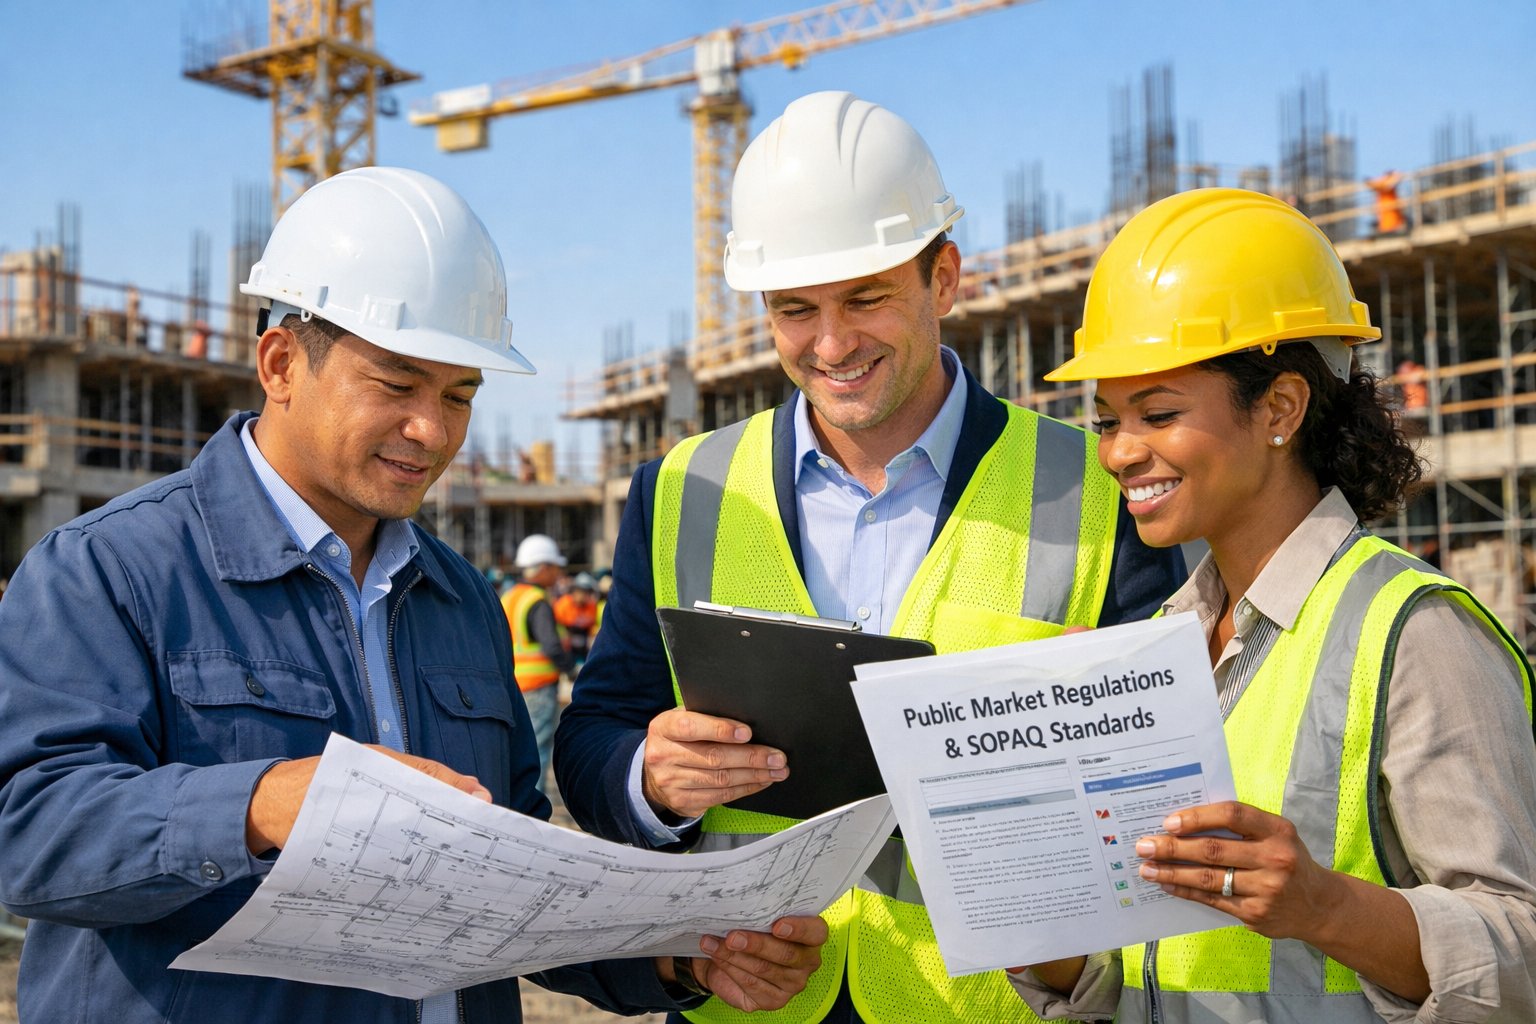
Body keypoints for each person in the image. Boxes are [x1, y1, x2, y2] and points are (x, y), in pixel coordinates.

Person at [0, 166, 827, 1024]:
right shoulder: (109, 571)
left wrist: (675, 961)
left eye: (459, 394)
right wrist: (261, 804)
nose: (433, 431)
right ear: (282, 364)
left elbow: (508, 893)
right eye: (396, 385)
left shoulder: (457, 598)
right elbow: (28, 834)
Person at [555, 91, 1185, 1024]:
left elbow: (1161, 779)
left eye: (867, 297)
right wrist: (648, 781)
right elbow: (598, 727)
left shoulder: (1098, 489)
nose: (832, 343)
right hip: (754, 1003)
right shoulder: (682, 489)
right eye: (795, 309)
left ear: (946, 279)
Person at [1010, 187, 1536, 1022]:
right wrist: (1039, 898)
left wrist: (1324, 907)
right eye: (1108, 419)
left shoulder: (1416, 633)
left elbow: (1521, 954)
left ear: (1280, 408)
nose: (1119, 452)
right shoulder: (1152, 651)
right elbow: (1133, 976)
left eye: (1159, 413)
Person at [503, 533, 577, 792]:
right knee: (537, 751)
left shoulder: (509, 596)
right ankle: (533, 814)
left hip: (512, 687)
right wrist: (571, 669)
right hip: (538, 688)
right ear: (542, 567)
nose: (558, 573)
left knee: (515, 752)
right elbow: (551, 645)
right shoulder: (537, 601)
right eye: (555, 567)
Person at [555, 571, 601, 667]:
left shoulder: (591, 607)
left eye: (587, 592)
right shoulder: (563, 604)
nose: (584, 595)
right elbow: (556, 625)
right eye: (581, 591)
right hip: (567, 649)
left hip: (584, 649)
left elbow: (593, 627)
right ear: (574, 591)